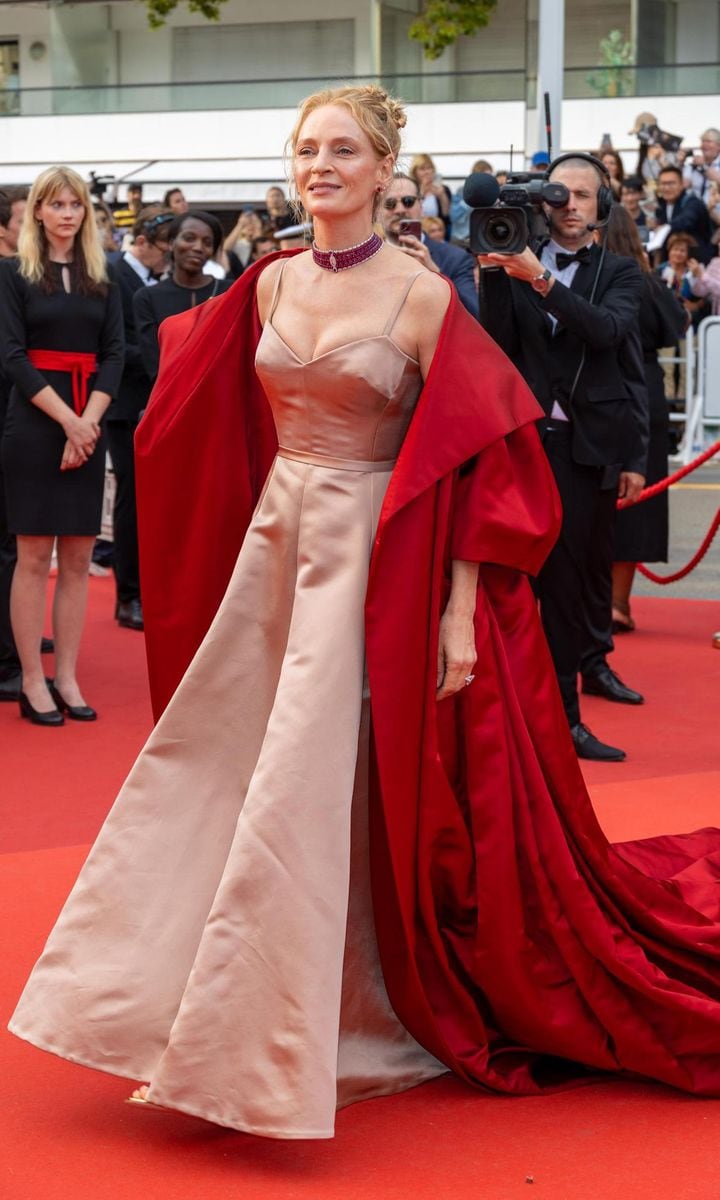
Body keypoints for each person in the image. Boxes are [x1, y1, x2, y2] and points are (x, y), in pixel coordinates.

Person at [9, 88, 720, 1140]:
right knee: (214, 763)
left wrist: (457, 607)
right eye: (307, 149)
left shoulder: (425, 297)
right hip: (274, 547)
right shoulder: (267, 285)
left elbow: (486, 455)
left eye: (343, 149)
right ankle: (159, 1002)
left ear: (387, 169)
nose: (321, 165)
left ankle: (280, 1036)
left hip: (374, 557)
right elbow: (200, 419)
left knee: (305, 773)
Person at [478, 153, 648, 761]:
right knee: (509, 582)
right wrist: (496, 274)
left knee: (570, 592)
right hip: (521, 444)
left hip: (584, 453)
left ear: (602, 207)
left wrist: (540, 281)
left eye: (582, 195)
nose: (569, 204)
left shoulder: (621, 273)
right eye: (560, 194)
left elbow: (605, 333)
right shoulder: (512, 256)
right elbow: (498, 344)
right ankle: (503, 720)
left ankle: (564, 723)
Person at [0, 166, 124, 725]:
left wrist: (88, 422)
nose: (68, 213)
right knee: (32, 556)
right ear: (39, 213)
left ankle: (67, 674)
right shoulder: (14, 274)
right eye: (57, 204)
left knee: (77, 556)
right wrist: (69, 421)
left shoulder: (104, 275)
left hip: (88, 420)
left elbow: (116, 354)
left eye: (76, 204)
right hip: (33, 424)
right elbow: (12, 355)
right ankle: (32, 679)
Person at [592, 207, 687, 634]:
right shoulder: (647, 284)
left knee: (594, 490)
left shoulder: (592, 280)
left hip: (595, 386)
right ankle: (618, 601)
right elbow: (676, 326)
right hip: (645, 389)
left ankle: (592, 600)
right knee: (637, 494)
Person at [107, 208, 174, 632]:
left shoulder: (156, 281)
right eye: (165, 246)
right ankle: (127, 595)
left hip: (153, 402)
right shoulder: (115, 274)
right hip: (122, 404)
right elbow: (112, 344)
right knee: (129, 499)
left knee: (153, 500)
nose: (170, 255)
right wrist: (163, 357)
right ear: (144, 242)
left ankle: (148, 590)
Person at [133, 210, 232, 382]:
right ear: (171, 243)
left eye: (207, 242)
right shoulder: (147, 298)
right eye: (189, 238)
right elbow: (154, 365)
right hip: (169, 396)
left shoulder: (229, 293)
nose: (198, 247)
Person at [0, 186, 29, 702]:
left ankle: (15, 638)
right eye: (24, 221)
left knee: (12, 537)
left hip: (18, 416)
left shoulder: (23, 276)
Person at [379, 173, 478, 316]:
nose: (400, 209)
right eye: (389, 203)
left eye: (408, 201)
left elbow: (474, 316)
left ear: (421, 206)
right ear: (377, 211)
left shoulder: (455, 259)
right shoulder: (366, 260)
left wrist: (437, 277)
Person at [654, 165, 715, 263]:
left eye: (671, 183)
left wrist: (666, 227)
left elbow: (687, 220)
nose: (666, 188)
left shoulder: (692, 202)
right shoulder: (661, 206)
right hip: (671, 264)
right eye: (663, 184)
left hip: (696, 263)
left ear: (682, 184)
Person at [409, 153, 452, 238]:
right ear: (415, 172)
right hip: (417, 233)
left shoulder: (442, 189)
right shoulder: (411, 189)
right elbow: (410, 212)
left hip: (437, 234)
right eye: (422, 169)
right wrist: (422, 192)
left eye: (429, 168)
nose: (426, 172)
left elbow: (446, 214)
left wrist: (442, 196)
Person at [683, 127, 720, 199]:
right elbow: (684, 186)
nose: (704, 145)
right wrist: (680, 163)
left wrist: (704, 166)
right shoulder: (692, 166)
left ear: (718, 146)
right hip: (695, 208)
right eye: (703, 141)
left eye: (709, 141)